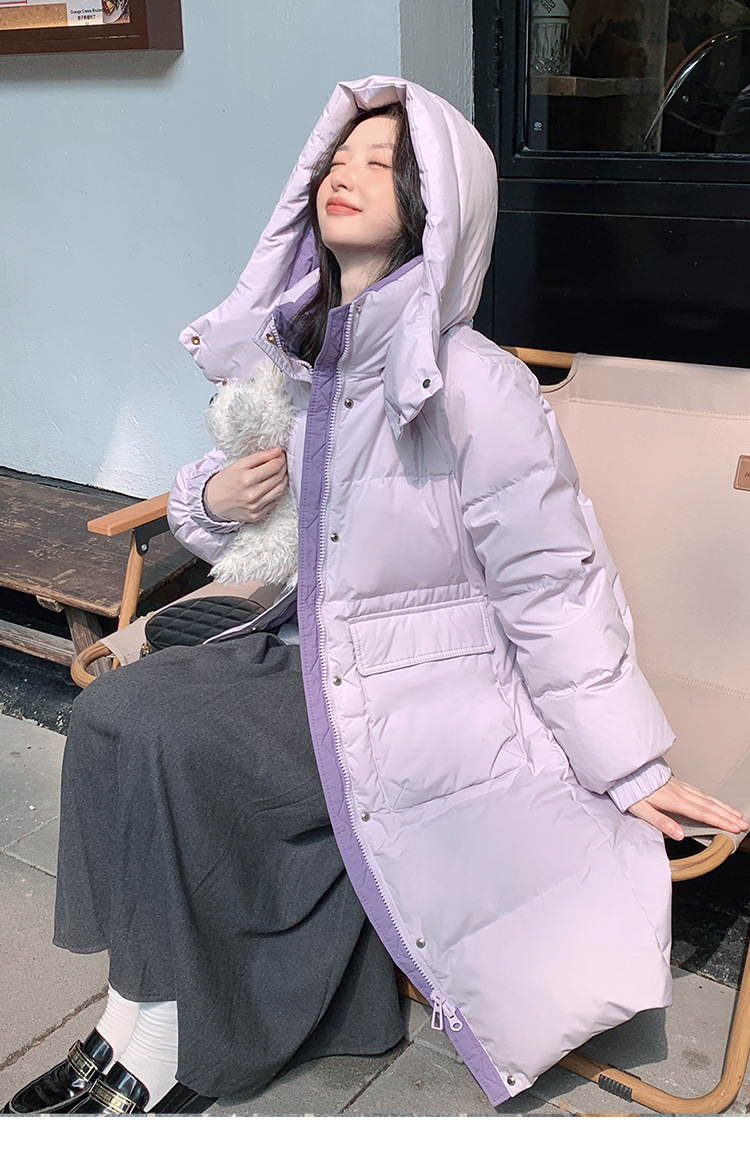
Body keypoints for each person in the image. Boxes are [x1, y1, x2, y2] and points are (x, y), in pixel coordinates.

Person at [4, 76, 747, 1117]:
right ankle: (130, 1028)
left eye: (383, 163)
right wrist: (211, 497)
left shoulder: (475, 383)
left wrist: (626, 762)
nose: (347, 175)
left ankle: (159, 1048)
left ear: (433, 203)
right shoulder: (306, 360)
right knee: (112, 715)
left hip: (422, 691)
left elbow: (551, 583)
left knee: (160, 730)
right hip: (307, 644)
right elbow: (245, 521)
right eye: (338, 157)